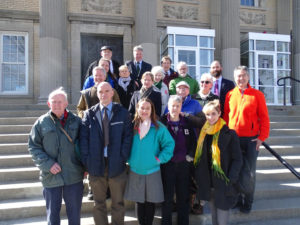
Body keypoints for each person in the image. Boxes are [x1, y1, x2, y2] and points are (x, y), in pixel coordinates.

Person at [28, 87, 84, 225]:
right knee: (52, 216)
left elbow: (84, 146)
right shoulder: (41, 123)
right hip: (51, 176)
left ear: (66, 103)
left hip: (73, 175)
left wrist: (86, 166)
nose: (57, 104)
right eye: (54, 102)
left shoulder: (77, 121)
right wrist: (48, 164)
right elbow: (33, 147)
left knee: (75, 216)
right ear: (48, 104)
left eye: (60, 102)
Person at [80, 82, 133, 225]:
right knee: (98, 203)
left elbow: (128, 137)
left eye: (106, 91)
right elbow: (83, 140)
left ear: (112, 93)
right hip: (96, 165)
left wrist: (122, 156)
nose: (103, 94)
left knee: (118, 203)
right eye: (100, 91)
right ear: (97, 94)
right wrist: (87, 160)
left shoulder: (122, 113)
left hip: (117, 164)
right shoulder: (89, 114)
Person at [223, 66, 270, 214]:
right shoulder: (230, 94)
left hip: (250, 140)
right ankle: (237, 199)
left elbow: (264, 118)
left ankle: (248, 202)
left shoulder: (257, 95)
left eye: (243, 76)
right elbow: (226, 116)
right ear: (234, 78)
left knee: (249, 173)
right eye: (238, 76)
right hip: (233, 139)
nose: (240, 79)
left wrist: (261, 138)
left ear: (248, 77)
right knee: (235, 170)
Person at [124, 98, 175, 225]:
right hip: (136, 169)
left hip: (153, 170)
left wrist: (160, 158)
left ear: (152, 110)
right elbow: (124, 144)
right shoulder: (132, 126)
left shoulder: (158, 127)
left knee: (150, 202)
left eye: (148, 108)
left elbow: (169, 144)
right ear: (137, 109)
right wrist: (128, 159)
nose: (145, 110)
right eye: (142, 108)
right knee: (139, 202)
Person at [194, 100, 242, 225]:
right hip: (209, 182)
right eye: (208, 114)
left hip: (223, 182)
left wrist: (230, 179)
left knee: (222, 220)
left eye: (213, 114)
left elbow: (238, 159)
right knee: (214, 218)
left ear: (219, 113)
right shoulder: (204, 134)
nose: (210, 117)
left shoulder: (229, 134)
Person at [160, 95, 206, 225]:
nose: (175, 108)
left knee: (183, 197)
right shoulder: (162, 122)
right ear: (168, 106)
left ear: (181, 107)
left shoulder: (187, 122)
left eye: (177, 106)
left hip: (184, 165)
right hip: (167, 165)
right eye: (172, 105)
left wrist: (190, 155)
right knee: (167, 197)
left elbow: (193, 141)